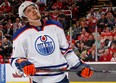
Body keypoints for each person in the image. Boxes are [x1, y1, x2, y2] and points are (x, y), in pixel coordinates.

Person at [10, 1, 93, 83]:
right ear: (24, 17)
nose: (33, 11)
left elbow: (67, 52)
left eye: (34, 8)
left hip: (61, 79)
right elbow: (15, 59)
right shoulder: (20, 34)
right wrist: (23, 64)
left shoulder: (55, 26)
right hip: (38, 80)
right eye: (29, 11)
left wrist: (79, 65)